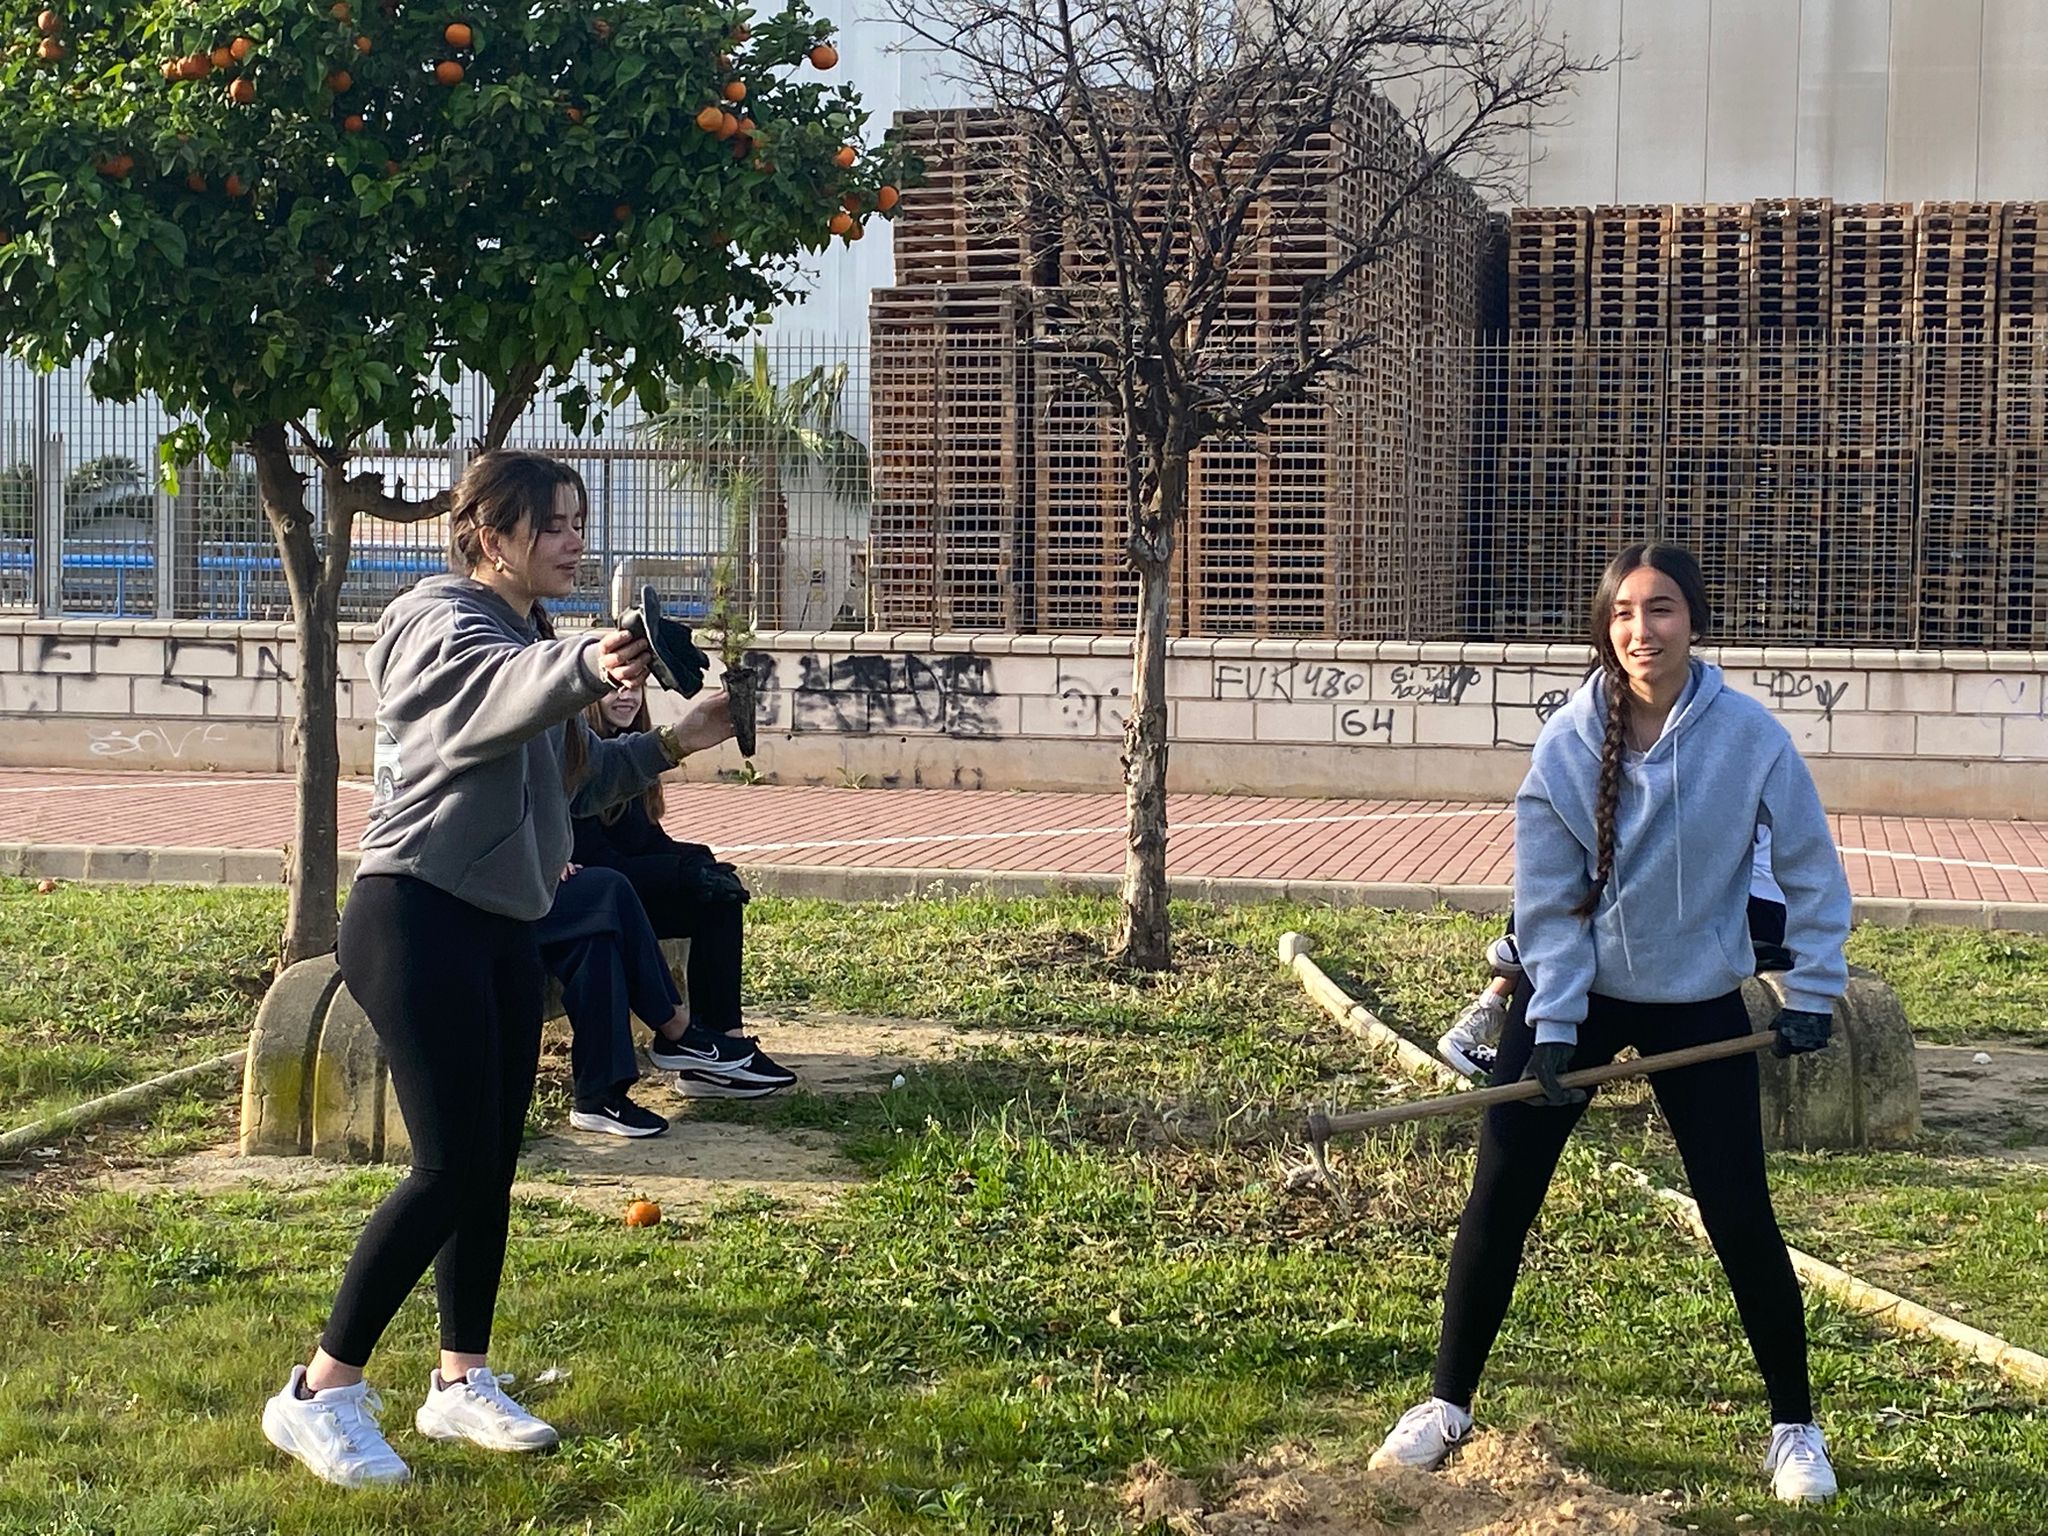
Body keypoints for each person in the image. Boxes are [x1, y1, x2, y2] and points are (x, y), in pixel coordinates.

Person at [260, 449, 745, 1489]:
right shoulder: (439, 620)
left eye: (577, 519)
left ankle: (457, 1381)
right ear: (491, 535)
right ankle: (319, 1393)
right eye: (555, 523)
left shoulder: (526, 640)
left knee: (489, 1163)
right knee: (445, 1168)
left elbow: (571, 775)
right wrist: (588, 664)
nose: (575, 539)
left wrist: (678, 740)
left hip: (496, 924)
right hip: (414, 917)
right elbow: (487, 694)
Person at [1371, 542, 1850, 1506]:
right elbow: (1545, 904)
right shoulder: (1565, 743)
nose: (1643, 630)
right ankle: (1447, 1405)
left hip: (1698, 1002)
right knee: (1500, 1194)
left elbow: (1810, 871)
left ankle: (1795, 1428)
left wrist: (1814, 994)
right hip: (1575, 998)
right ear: (1606, 626)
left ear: (1695, 622)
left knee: (1738, 1211)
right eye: (1626, 612)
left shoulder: (1750, 740)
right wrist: (1551, 1023)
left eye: (1663, 609)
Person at [572, 677, 792, 1090]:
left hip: (624, 886)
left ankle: (723, 1046)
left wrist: (700, 861)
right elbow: (598, 860)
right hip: (595, 895)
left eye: (634, 687)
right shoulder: (585, 755)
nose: (626, 695)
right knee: (694, 888)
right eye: (614, 686)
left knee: (718, 896)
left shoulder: (635, 746)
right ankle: (689, 1045)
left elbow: (648, 842)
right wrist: (682, 874)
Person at [1440, 824, 1794, 1079]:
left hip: (1750, 910)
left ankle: (1515, 959)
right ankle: (1492, 1002)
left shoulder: (1729, 754)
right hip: (1702, 906)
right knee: (1568, 887)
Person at [540, 860, 794, 1138]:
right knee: (610, 887)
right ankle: (675, 1027)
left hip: (539, 884)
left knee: (597, 943)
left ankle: (598, 1097)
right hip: (506, 894)